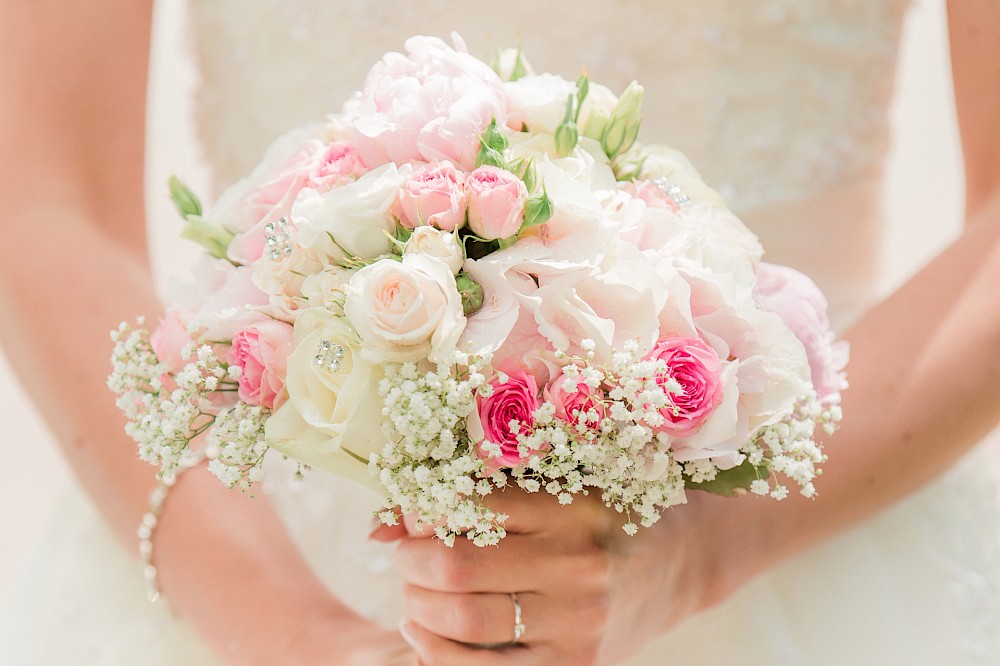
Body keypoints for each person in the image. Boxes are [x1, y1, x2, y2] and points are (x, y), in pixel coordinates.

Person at [1, 1, 998, 664]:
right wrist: (303, 635)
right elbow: (46, 202)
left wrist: (702, 550)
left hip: (807, 520)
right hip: (250, 541)